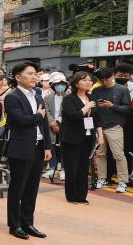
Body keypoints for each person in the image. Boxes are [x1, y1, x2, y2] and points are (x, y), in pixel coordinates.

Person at [2, 62, 51, 240]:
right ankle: (14, 225)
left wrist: (47, 146)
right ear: (18, 77)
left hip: (38, 147)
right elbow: (19, 120)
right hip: (20, 147)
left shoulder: (38, 96)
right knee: (18, 187)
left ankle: (28, 223)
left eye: (35, 74)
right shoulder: (12, 97)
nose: (34, 77)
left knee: (32, 187)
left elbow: (44, 123)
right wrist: (37, 116)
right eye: (30, 73)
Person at [60, 72, 101, 204]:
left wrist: (100, 136)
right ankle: (71, 196)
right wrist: (87, 106)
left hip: (88, 137)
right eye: (85, 80)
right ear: (76, 83)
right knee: (72, 168)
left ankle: (82, 195)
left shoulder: (92, 97)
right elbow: (73, 116)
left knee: (83, 168)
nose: (89, 82)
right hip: (71, 138)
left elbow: (97, 118)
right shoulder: (69, 99)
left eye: (90, 80)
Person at [91, 67, 131, 193]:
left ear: (113, 75)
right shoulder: (96, 90)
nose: (105, 82)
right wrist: (97, 106)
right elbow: (93, 107)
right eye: (102, 80)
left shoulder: (122, 89)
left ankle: (123, 181)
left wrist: (112, 106)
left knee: (118, 154)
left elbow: (127, 108)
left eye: (107, 79)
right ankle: (102, 178)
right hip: (99, 126)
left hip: (115, 126)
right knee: (100, 154)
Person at [43, 72, 68, 179]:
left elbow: (68, 111)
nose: (60, 86)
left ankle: (63, 169)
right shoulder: (47, 97)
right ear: (53, 85)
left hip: (65, 126)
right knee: (51, 146)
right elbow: (46, 111)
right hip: (51, 126)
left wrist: (59, 122)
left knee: (64, 147)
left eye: (62, 83)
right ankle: (52, 168)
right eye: (57, 84)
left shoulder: (69, 97)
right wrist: (52, 122)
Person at [114, 62, 133, 181]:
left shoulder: (132, 86)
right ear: (114, 75)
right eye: (120, 75)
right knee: (116, 148)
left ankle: (128, 172)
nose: (123, 78)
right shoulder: (111, 86)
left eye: (126, 76)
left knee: (128, 147)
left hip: (130, 121)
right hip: (115, 120)